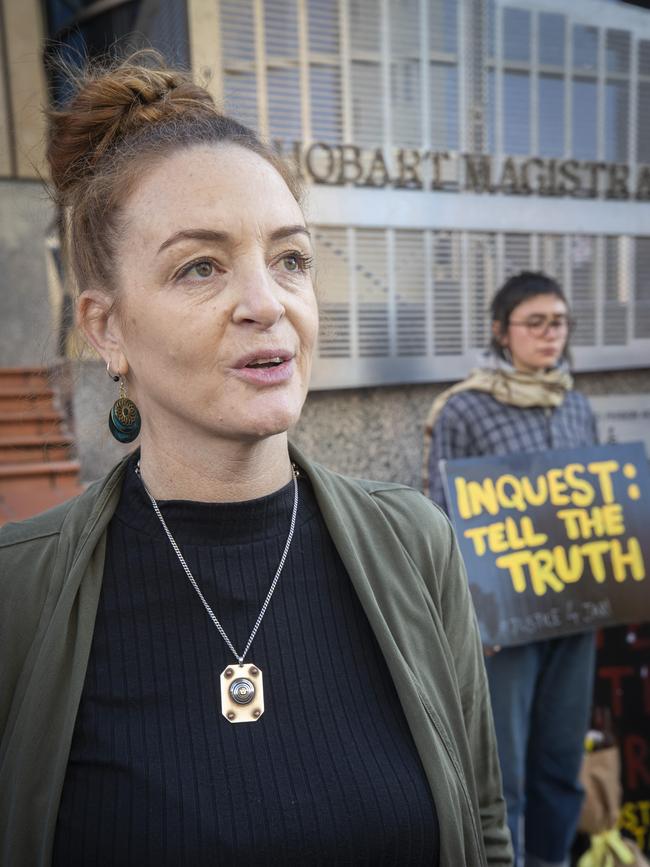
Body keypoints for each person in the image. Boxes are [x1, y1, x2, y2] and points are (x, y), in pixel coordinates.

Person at [0, 55, 512, 866]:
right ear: (106, 328)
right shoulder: (16, 597)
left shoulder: (417, 546)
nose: (267, 304)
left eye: (291, 259)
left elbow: (483, 824)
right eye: (200, 265)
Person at [424, 271, 598, 867]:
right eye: (537, 322)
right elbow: (442, 518)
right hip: (506, 623)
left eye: (560, 322)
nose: (552, 335)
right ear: (503, 332)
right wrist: (473, 615)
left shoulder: (576, 404)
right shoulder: (465, 409)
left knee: (561, 762)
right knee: (507, 775)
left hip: (576, 609)